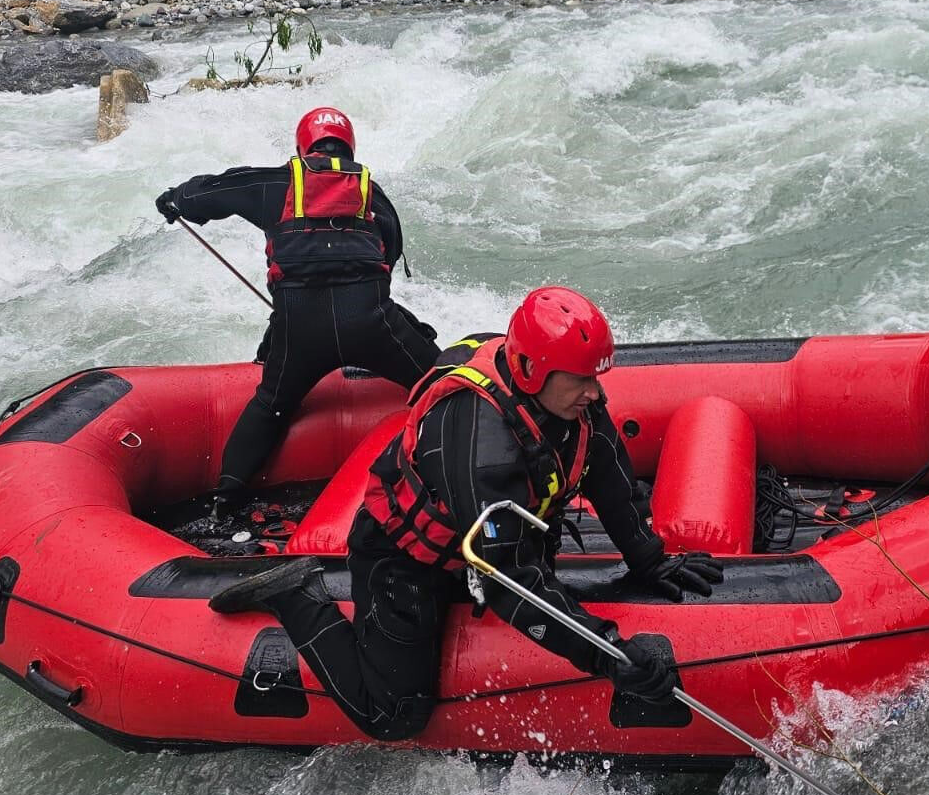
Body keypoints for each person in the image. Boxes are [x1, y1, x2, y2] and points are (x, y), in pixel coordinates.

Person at [207, 287, 726, 739]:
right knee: (392, 716)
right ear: (531, 370)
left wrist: (649, 559)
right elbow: (507, 579)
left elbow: (608, 468)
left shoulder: (571, 400)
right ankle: (297, 597)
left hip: (480, 537)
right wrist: (606, 654)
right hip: (405, 561)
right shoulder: (483, 445)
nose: (595, 392)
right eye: (580, 380)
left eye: (596, 377)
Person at [156, 108, 441, 513]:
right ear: (350, 148)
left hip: (299, 335)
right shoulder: (371, 193)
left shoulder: (274, 183)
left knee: (270, 405)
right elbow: (389, 255)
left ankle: (227, 497)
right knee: (442, 379)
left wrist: (176, 200)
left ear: (301, 147)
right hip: (373, 326)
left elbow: (210, 192)